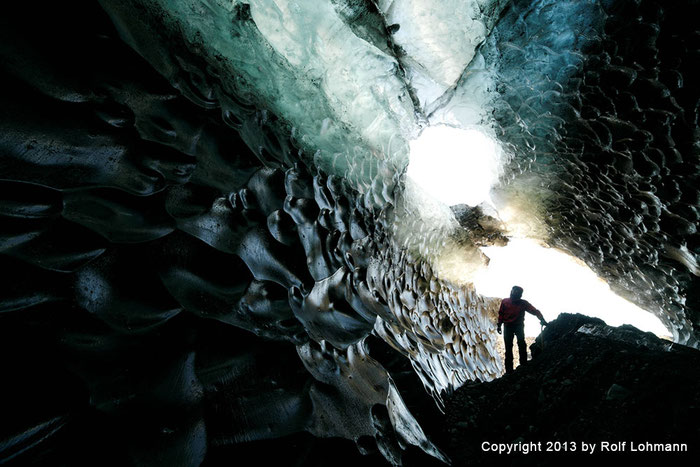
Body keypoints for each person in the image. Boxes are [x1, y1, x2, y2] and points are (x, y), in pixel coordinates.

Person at [497, 286, 547, 373]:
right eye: (514, 291)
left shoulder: (522, 303)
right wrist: (499, 325)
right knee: (511, 347)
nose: (515, 293)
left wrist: (542, 319)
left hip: (517, 326)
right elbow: (501, 314)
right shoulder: (505, 301)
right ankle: (511, 370)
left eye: (517, 292)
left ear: (520, 294)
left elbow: (534, 311)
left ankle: (521, 366)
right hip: (509, 326)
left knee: (520, 345)